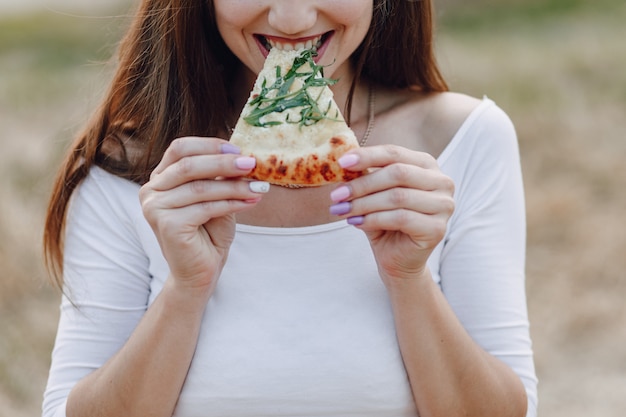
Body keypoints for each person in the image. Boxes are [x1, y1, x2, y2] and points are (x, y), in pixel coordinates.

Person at [42, 1, 538, 416]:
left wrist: (410, 281)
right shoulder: (129, 165)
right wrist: (185, 291)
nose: (294, 19)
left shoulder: (466, 141)